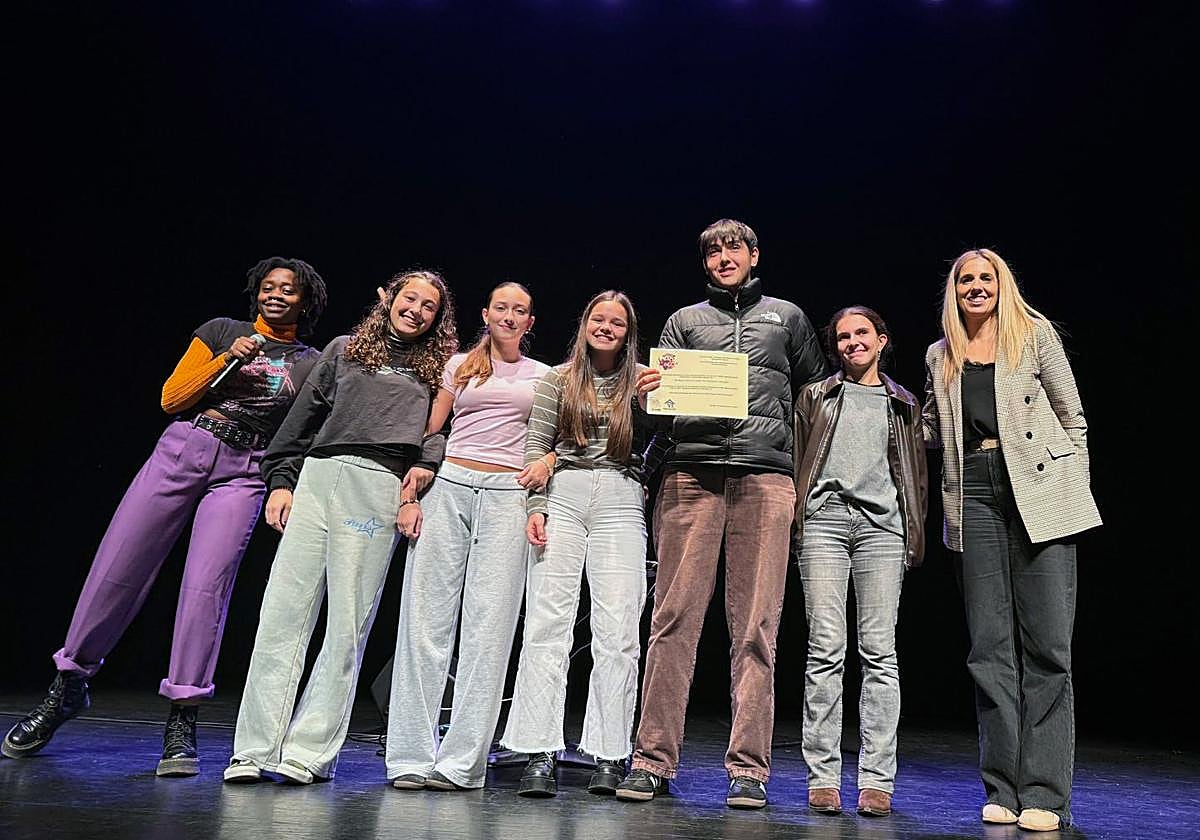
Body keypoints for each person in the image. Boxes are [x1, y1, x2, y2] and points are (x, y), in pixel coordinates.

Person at [2, 257, 327, 776]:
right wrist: (225, 359)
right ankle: (67, 686)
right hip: (184, 448)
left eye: (288, 290)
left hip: (244, 469)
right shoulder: (221, 331)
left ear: (305, 302)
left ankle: (183, 716)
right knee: (118, 569)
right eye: (268, 287)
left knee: (206, 589)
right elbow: (171, 398)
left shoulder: (311, 362)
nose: (276, 295)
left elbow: (305, 428)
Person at [617, 219, 827, 809]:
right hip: (691, 475)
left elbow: (815, 401)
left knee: (757, 627)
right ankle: (651, 760)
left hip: (765, 479)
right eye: (713, 251)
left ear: (754, 255)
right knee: (672, 620)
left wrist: (798, 474)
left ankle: (749, 770)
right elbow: (659, 413)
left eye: (733, 248)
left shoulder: (786, 318)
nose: (723, 258)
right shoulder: (685, 321)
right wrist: (648, 396)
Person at [223, 270, 457, 785]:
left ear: (438, 320)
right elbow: (301, 421)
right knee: (282, 614)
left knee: (347, 625)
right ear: (388, 298)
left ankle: (309, 753)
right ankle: (254, 750)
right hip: (318, 476)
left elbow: (441, 432)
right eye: (410, 298)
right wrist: (280, 481)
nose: (416, 310)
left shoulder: (438, 370)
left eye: (429, 307)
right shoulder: (344, 349)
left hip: (377, 486)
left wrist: (423, 469)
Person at [922, 249, 1100, 832]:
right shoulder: (941, 354)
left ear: (1003, 284)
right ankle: (1002, 786)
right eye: (966, 280)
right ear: (954, 291)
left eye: (986, 277)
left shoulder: (1034, 334)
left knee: (1047, 647)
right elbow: (930, 428)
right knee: (989, 648)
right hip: (973, 490)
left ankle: (1046, 794)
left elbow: (1073, 416)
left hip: (1040, 487)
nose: (976, 286)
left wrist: (1072, 486)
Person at [500, 290, 668, 798]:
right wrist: (535, 506)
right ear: (585, 324)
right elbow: (537, 445)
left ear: (628, 331)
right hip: (565, 492)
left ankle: (610, 753)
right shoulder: (558, 378)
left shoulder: (643, 379)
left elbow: (666, 437)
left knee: (618, 628)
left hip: (620, 496)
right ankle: (538, 751)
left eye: (617, 322)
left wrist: (642, 468)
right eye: (599, 319)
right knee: (547, 623)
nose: (606, 328)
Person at [385, 282, 550, 792]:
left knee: (489, 628)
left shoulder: (544, 375)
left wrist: (549, 460)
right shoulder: (458, 365)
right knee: (425, 621)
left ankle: (461, 763)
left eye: (519, 310)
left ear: (530, 322)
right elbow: (430, 431)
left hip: (507, 494)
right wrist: (410, 494)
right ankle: (409, 756)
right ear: (485, 313)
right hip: (450, 485)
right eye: (501, 307)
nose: (509, 316)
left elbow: (562, 437)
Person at [792, 306, 927, 818]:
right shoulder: (816, 397)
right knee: (825, 648)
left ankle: (876, 780)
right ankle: (823, 776)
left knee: (880, 653)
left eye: (862, 333)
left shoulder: (903, 404)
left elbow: (914, 473)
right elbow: (798, 459)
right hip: (824, 523)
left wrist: (913, 531)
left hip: (882, 529)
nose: (852, 342)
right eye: (843, 337)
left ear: (881, 339)